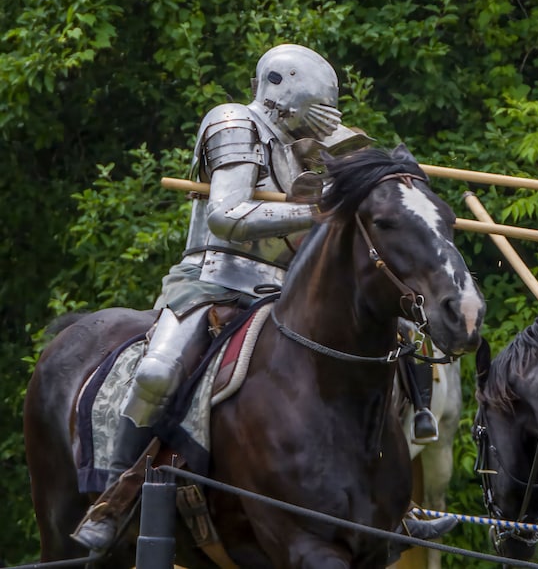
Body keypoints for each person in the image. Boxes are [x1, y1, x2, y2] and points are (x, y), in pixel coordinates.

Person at [71, 43, 454, 553]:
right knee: (159, 369)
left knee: (395, 351)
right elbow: (226, 215)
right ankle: (116, 495)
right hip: (213, 278)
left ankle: (390, 504)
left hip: (286, 284)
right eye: (321, 100)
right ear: (282, 87)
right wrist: (319, 211)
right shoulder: (234, 122)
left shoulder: (311, 146)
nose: (327, 113)